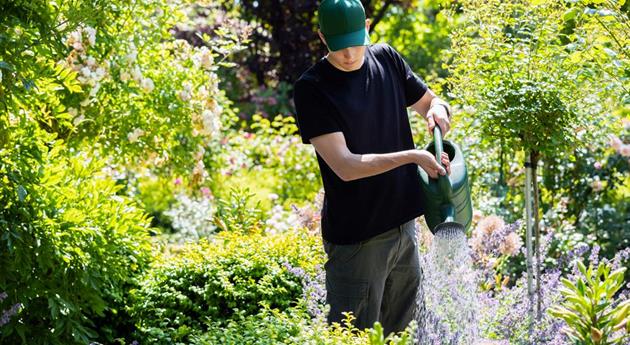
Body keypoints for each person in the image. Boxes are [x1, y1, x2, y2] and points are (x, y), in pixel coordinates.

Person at [292, 0, 453, 337]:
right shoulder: (313, 88)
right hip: (358, 239)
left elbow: (429, 102)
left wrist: (438, 110)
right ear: (322, 38)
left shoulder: (387, 59)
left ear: (367, 27)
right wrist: (413, 156)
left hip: (404, 228)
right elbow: (346, 166)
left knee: (402, 334)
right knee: (353, 337)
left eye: (355, 42)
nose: (349, 54)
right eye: (339, 46)